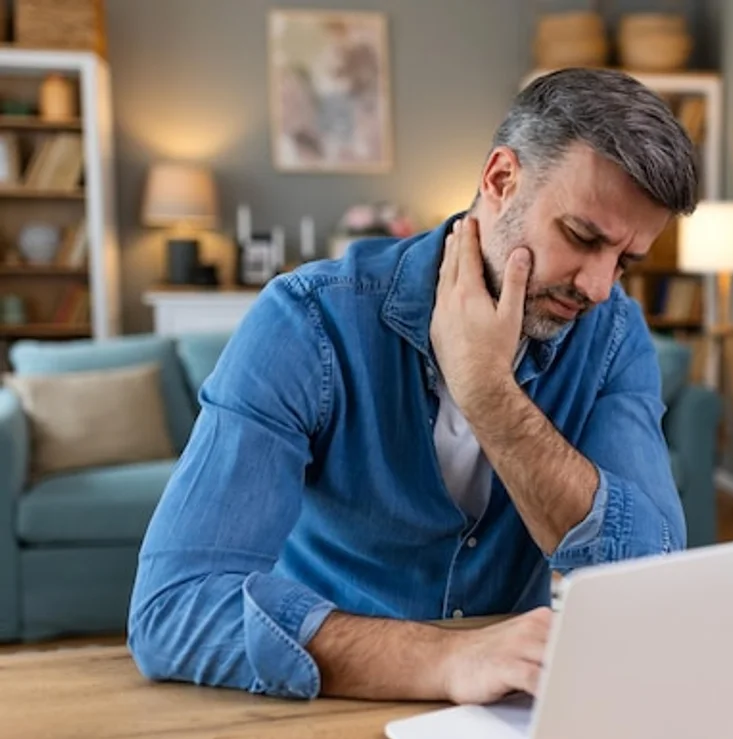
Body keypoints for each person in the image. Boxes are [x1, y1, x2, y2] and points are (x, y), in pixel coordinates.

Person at [127, 67, 699, 703]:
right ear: (501, 180)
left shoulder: (614, 334)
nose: (597, 286)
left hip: (507, 705)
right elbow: (172, 609)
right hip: (324, 697)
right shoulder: (307, 320)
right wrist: (448, 660)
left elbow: (650, 576)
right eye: (582, 237)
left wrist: (489, 394)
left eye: (625, 261)